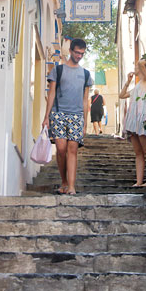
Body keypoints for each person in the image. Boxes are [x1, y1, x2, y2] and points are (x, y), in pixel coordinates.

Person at [42, 38, 93, 195]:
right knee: (61, 149)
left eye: (82, 54)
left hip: (77, 116)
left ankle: (71, 186)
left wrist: (85, 122)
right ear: (70, 51)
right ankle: (63, 180)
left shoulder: (85, 74)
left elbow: (86, 100)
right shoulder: (58, 70)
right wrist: (46, 117)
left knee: (72, 150)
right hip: (58, 114)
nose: (79, 56)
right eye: (77, 52)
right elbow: (51, 94)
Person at [119, 60, 146, 187]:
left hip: (143, 118)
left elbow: (141, 62)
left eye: (138, 66)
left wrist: (143, 64)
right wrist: (128, 81)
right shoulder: (139, 84)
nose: (136, 66)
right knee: (138, 152)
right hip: (133, 120)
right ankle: (139, 181)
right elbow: (122, 95)